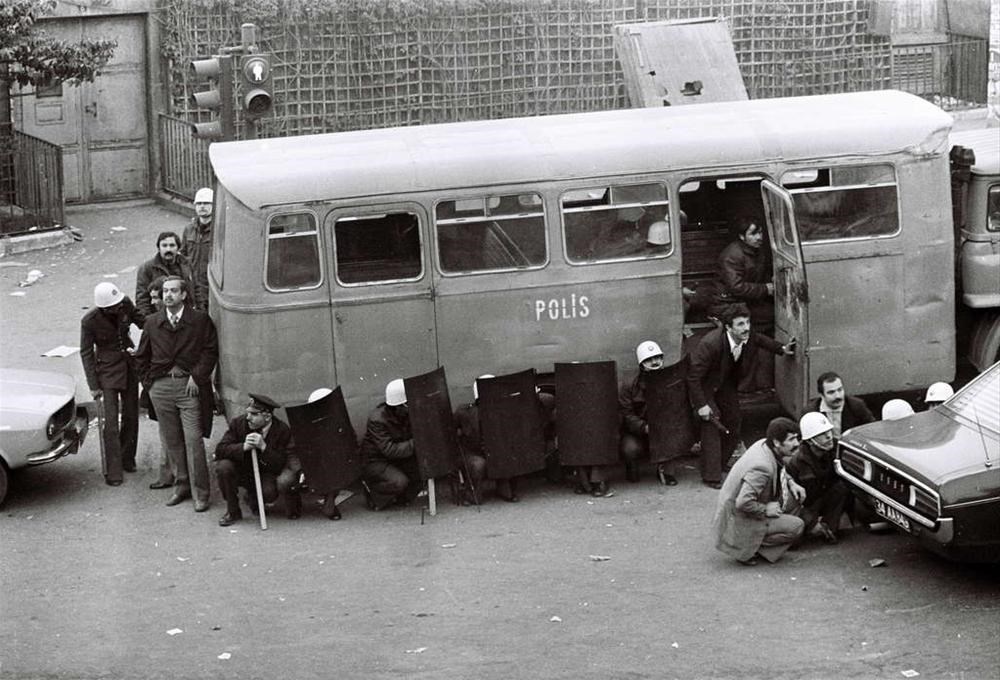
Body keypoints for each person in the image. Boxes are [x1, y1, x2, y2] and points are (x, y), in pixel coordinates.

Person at [134, 276, 218, 512]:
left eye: (173, 291)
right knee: (172, 441)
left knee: (193, 440)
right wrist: (150, 385)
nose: (168, 295)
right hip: (161, 388)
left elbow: (210, 351)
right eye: (165, 291)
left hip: (189, 387)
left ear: (184, 295)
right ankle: (181, 486)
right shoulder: (152, 322)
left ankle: (201, 493)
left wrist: (198, 376)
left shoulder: (200, 320)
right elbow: (141, 356)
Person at [688, 303, 795, 489]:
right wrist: (701, 405)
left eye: (747, 322)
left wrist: (782, 349)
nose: (746, 327)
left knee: (735, 421)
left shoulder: (748, 335)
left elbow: (761, 340)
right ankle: (711, 476)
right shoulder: (710, 344)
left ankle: (721, 463)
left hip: (725, 385)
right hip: (705, 387)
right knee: (712, 422)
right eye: (740, 324)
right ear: (728, 327)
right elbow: (693, 377)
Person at [712, 416, 805, 566]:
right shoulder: (762, 468)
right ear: (776, 442)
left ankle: (769, 538)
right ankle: (750, 547)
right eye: (791, 439)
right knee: (797, 526)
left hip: (736, 511)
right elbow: (742, 503)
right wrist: (765, 509)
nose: (796, 443)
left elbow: (779, 467)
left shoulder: (764, 444)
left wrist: (791, 482)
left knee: (795, 500)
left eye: (797, 438)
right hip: (739, 519)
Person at [79, 282, 143, 485]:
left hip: (129, 365)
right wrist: (93, 385)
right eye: (112, 307)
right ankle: (114, 471)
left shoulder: (124, 303)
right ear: (103, 308)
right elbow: (86, 352)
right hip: (106, 371)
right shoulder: (90, 321)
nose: (118, 308)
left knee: (132, 416)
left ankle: (127, 458)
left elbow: (142, 322)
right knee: (111, 422)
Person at [214, 393, 299, 526]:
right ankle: (233, 511)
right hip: (242, 469)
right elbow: (220, 450)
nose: (248, 418)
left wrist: (264, 447)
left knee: (269, 493)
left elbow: (279, 464)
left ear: (267, 416)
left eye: (254, 414)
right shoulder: (239, 423)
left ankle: (253, 498)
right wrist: (243, 447)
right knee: (223, 468)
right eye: (248, 413)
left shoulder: (281, 430)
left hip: (265, 472)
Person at [714, 216, 775, 391]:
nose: (759, 237)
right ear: (742, 237)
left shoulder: (756, 251)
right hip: (726, 303)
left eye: (760, 232)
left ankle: (760, 380)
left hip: (743, 301)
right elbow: (736, 288)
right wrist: (765, 289)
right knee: (767, 321)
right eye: (753, 233)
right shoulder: (732, 255)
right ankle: (749, 383)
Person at [784, 412, 851, 544]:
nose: (829, 436)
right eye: (822, 434)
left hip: (825, 498)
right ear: (809, 441)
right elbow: (795, 500)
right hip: (805, 505)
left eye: (829, 431)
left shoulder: (836, 448)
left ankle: (830, 527)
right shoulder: (798, 461)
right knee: (796, 540)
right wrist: (811, 522)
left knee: (842, 487)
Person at [453, 374, 521, 504]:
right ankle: (471, 493)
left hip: (495, 450)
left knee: (507, 455)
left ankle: (504, 487)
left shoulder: (502, 411)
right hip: (473, 452)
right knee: (478, 464)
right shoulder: (464, 412)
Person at [619, 340, 677, 486]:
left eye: (657, 358)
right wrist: (644, 427)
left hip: (663, 429)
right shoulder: (629, 385)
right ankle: (632, 467)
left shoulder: (670, 381)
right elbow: (626, 414)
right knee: (630, 449)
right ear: (642, 364)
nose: (655, 362)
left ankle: (665, 470)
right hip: (637, 431)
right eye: (649, 360)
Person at [359, 378, 422, 510]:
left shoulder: (404, 414)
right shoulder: (377, 419)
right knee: (399, 482)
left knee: (423, 471)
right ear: (398, 406)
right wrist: (417, 442)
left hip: (397, 457)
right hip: (375, 461)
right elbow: (390, 450)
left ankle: (400, 497)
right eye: (407, 404)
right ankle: (373, 492)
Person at [142, 275, 174, 491]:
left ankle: (168, 474)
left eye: (157, 297)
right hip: (159, 384)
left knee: (170, 434)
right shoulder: (153, 322)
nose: (154, 302)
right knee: (167, 433)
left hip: (172, 383)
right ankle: (167, 473)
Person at [135, 231, 195, 320]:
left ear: (178, 248)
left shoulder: (187, 264)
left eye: (172, 245)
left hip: (185, 316)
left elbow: (196, 288)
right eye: (164, 245)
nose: (168, 249)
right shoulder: (147, 268)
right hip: (160, 319)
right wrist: (147, 322)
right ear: (158, 248)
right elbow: (142, 299)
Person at [803, 372, 875, 439]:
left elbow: (872, 430)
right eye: (831, 392)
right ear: (821, 395)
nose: (837, 396)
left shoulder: (857, 406)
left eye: (840, 390)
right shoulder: (811, 413)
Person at [181, 187, 214, 311]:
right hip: (193, 284)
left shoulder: (218, 229)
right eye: (199, 203)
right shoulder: (189, 229)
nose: (202, 206)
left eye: (206, 203)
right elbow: (183, 254)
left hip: (211, 283)